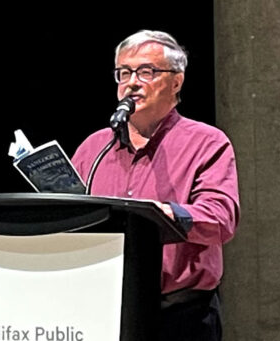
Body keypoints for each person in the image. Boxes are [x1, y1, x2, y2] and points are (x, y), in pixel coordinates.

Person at [71, 30, 240, 340]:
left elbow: (220, 219)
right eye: (124, 72)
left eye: (146, 71)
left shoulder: (206, 143)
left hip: (181, 317)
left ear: (177, 81)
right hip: (102, 308)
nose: (132, 82)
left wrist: (162, 215)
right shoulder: (94, 148)